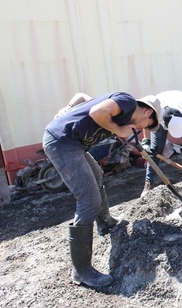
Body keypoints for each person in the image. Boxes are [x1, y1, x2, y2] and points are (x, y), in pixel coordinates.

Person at [43, 92, 161, 287]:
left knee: (97, 175)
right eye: (146, 124)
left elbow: (84, 97)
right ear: (148, 111)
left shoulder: (121, 112)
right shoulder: (127, 101)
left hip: (74, 145)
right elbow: (96, 112)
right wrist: (119, 129)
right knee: (88, 200)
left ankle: (105, 222)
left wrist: (70, 105)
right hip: (62, 142)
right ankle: (81, 271)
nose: (141, 129)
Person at [140, 90, 182, 197]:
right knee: (155, 149)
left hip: (180, 99)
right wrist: (146, 141)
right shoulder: (156, 114)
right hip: (163, 104)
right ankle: (148, 183)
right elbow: (146, 122)